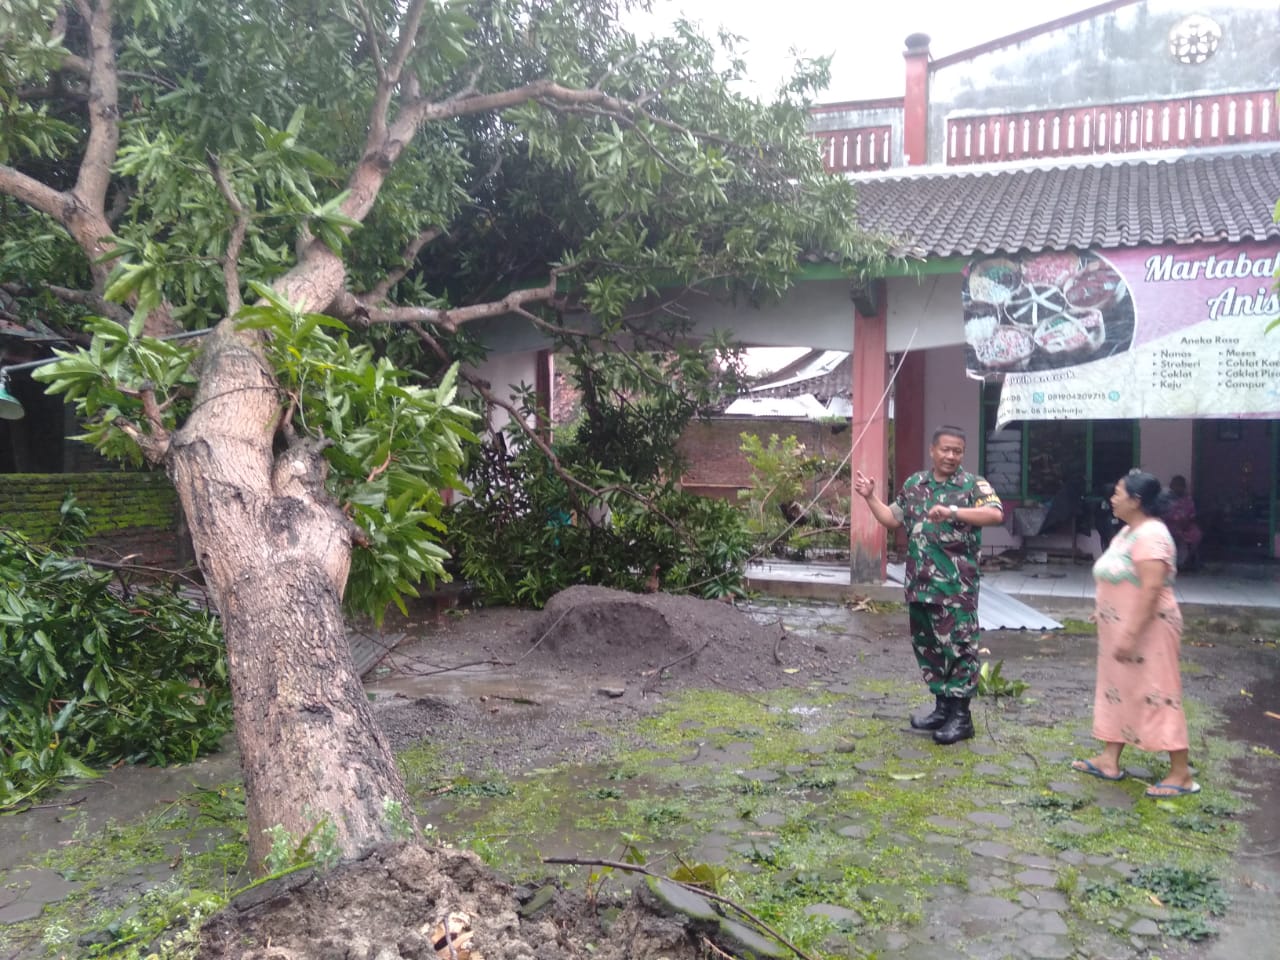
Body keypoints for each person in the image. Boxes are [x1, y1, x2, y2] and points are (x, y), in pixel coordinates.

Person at [853, 425, 1005, 744]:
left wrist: (952, 511)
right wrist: (870, 497)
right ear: (932, 450)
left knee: (959, 649)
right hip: (920, 586)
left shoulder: (973, 485)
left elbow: (994, 514)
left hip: (956, 589)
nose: (951, 456)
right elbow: (891, 519)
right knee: (929, 648)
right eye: (945, 449)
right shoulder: (915, 485)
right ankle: (942, 707)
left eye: (957, 451)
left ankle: (961, 718)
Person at [1071, 470, 1199, 798]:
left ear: (1136, 500)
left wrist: (1130, 634)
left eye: (1118, 493)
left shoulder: (1153, 534)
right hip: (1121, 631)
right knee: (1118, 691)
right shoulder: (1128, 532)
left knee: (1158, 692)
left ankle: (1181, 773)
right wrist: (1105, 610)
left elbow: (1152, 588)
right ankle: (1109, 759)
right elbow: (1121, 577)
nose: (1112, 499)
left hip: (1148, 630)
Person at [1165, 475, 1202, 572]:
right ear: (1171, 486)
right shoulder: (1165, 498)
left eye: (1181, 486)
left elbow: (1192, 514)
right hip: (1168, 526)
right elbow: (1161, 513)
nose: (1178, 488)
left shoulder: (1187, 499)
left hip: (1185, 526)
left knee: (1195, 534)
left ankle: (1185, 562)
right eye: (1176, 485)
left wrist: (1186, 523)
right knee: (1175, 537)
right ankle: (1174, 563)